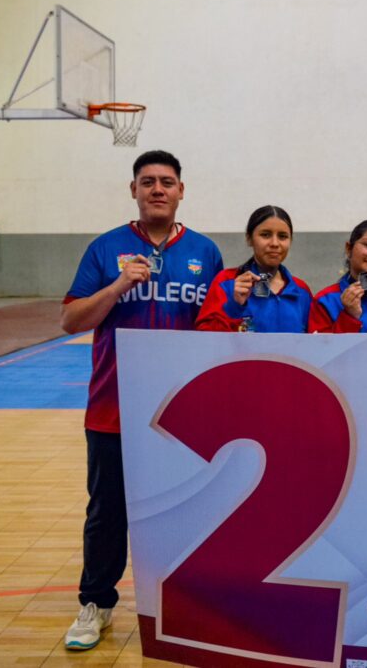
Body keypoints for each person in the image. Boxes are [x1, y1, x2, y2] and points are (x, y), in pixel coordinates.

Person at [60, 150, 222, 650]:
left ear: (181, 191)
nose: (157, 189)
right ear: (133, 190)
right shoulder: (106, 248)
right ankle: (96, 604)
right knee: (107, 514)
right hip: (113, 409)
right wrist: (117, 285)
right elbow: (71, 320)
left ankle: (188, 605)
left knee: (187, 512)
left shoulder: (206, 253)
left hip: (183, 417)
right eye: (147, 181)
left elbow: (217, 329)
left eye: (166, 182)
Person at [195, 205, 312, 333]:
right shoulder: (226, 283)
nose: (275, 243)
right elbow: (205, 337)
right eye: (265, 235)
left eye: (282, 236)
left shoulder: (302, 291)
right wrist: (234, 306)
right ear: (249, 239)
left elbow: (314, 341)